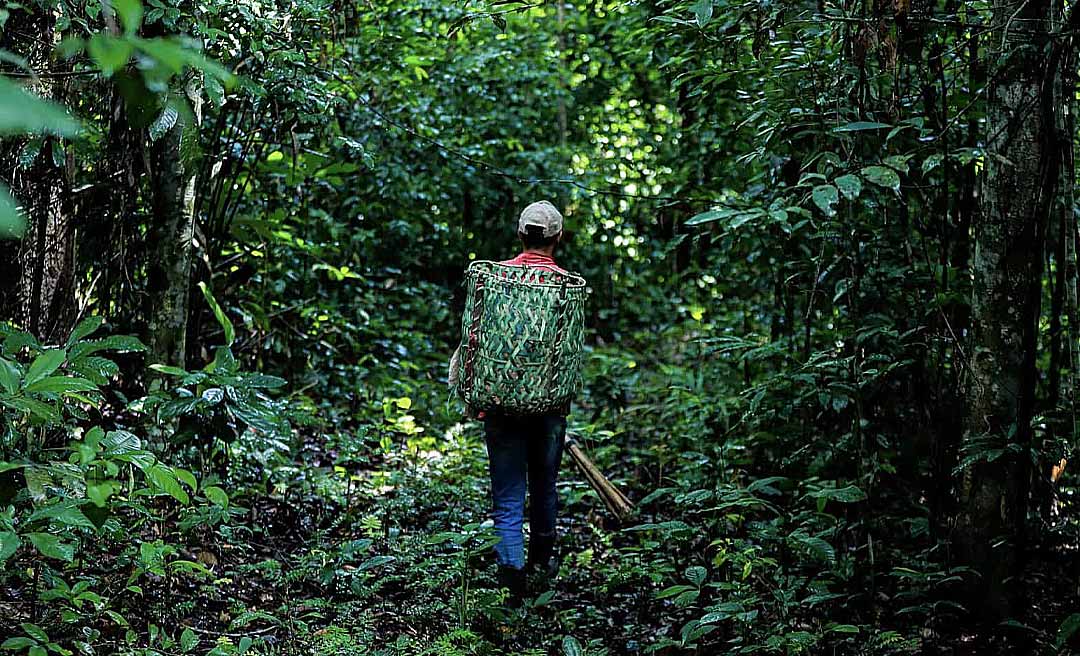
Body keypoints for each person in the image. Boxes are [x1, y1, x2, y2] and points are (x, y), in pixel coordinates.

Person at [453, 200, 571, 605]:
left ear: (521, 234)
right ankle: (541, 568)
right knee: (544, 488)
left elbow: (473, 339)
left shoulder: (493, 279)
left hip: (500, 405)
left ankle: (512, 577)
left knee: (506, 495)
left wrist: (473, 393)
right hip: (549, 410)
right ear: (558, 238)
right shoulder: (567, 289)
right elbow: (568, 355)